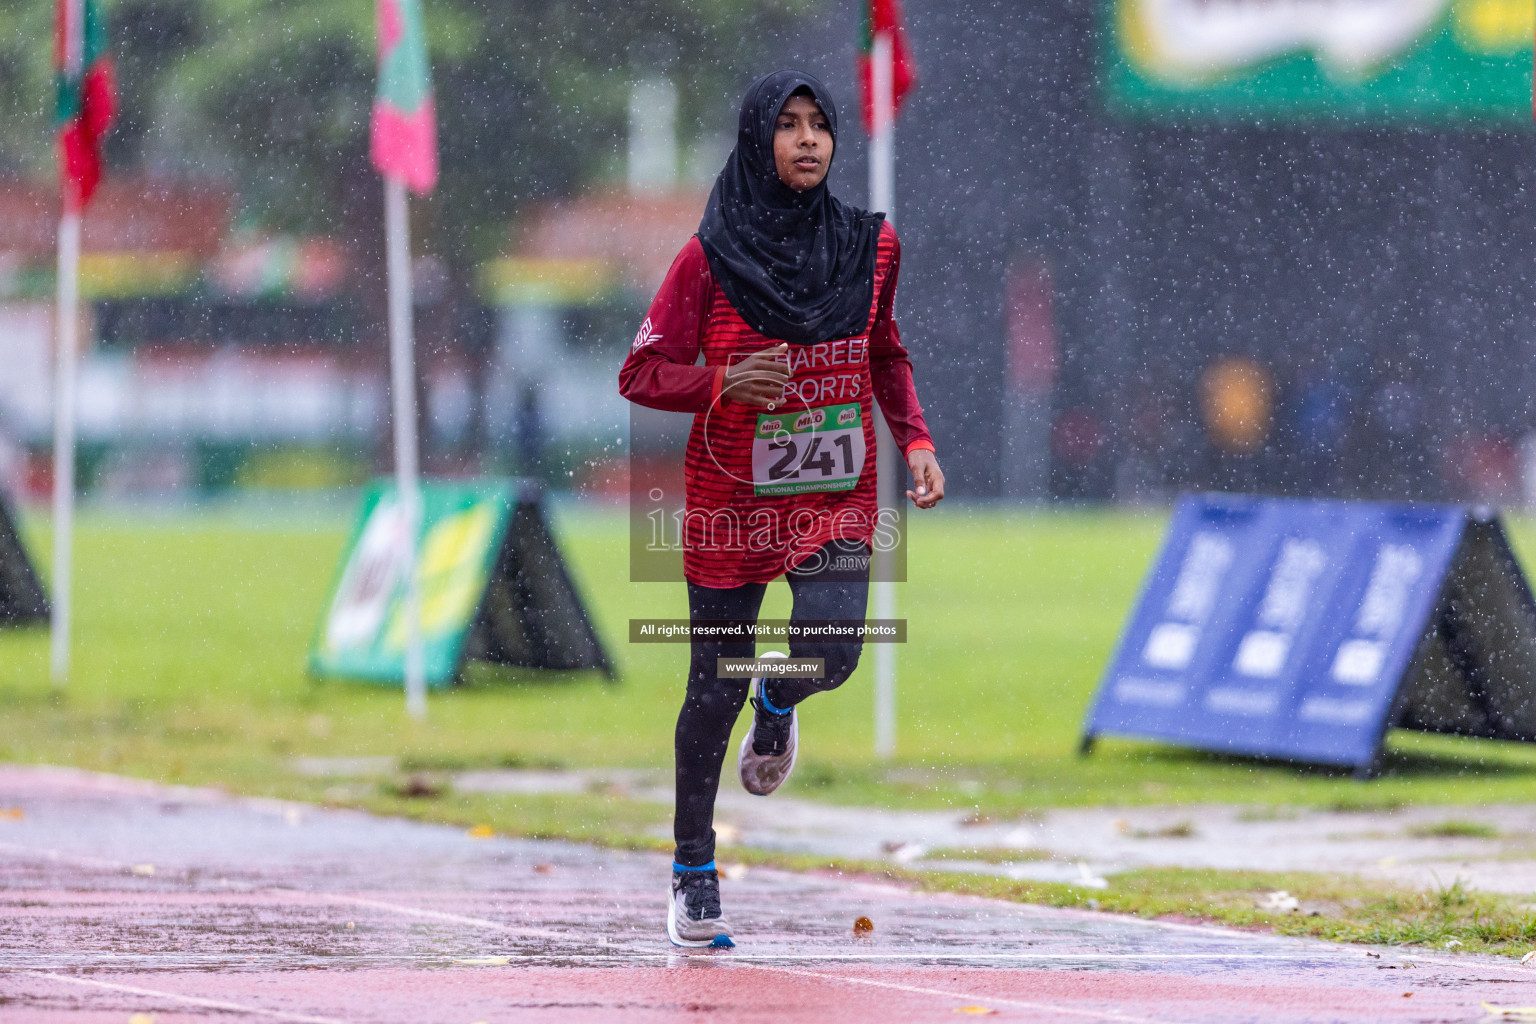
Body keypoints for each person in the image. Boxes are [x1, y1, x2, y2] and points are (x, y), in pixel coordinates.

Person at [618, 69, 944, 947]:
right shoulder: (707, 257)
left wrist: (914, 437)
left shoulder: (872, 248)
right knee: (705, 694)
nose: (808, 140)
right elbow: (640, 373)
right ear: (757, 139)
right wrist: (724, 379)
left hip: (836, 495)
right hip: (732, 503)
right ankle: (693, 867)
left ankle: (779, 697)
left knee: (834, 652)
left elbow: (886, 351)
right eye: (789, 126)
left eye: (821, 126)